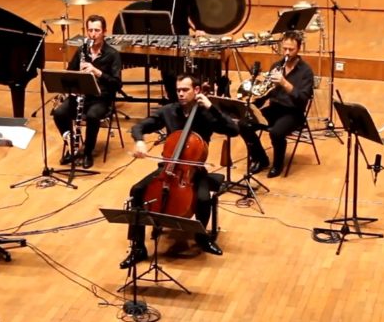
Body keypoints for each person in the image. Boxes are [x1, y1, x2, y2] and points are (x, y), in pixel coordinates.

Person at [120, 74, 238, 269]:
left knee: (202, 199)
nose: (181, 94)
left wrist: (211, 107)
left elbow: (233, 130)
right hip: (168, 167)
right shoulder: (169, 111)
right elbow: (139, 126)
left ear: (197, 91)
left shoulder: (206, 114)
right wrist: (139, 140)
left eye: (186, 90)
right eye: (179, 90)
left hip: (194, 170)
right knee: (137, 190)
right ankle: (138, 248)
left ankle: (202, 238)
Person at [237, 31, 314, 178]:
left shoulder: (306, 72)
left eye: (291, 50)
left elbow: (302, 98)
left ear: (299, 49)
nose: (286, 53)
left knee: (276, 132)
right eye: (284, 48)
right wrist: (254, 100)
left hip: (294, 113)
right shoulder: (277, 66)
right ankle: (261, 159)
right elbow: (269, 92)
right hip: (275, 108)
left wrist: (284, 83)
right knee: (244, 124)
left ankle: (278, 165)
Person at [52, 15, 122, 169]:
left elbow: (117, 84)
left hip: (101, 99)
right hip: (80, 96)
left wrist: (97, 72)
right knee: (58, 113)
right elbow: (69, 73)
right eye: (90, 30)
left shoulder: (112, 55)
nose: (93, 34)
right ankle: (73, 145)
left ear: (104, 32)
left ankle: (87, 152)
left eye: (97, 30)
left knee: (92, 116)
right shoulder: (81, 51)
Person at [151, 0, 205, 103]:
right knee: (166, 71)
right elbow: (154, 10)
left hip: (181, 32)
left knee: (180, 70)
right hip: (164, 34)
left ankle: (183, 100)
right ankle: (171, 99)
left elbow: (193, 9)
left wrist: (198, 28)